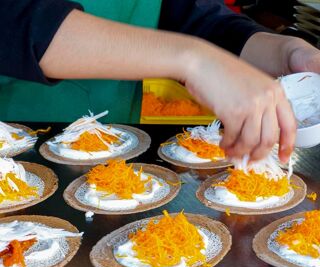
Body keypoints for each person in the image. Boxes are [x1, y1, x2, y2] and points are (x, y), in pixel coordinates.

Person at [1, 0, 319, 163]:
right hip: (13, 149)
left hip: (113, 148)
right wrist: (193, 59)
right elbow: (17, 19)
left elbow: (188, 15)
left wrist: (287, 52)